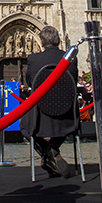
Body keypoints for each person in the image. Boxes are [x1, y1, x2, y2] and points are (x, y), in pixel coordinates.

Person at [21, 26, 79, 178]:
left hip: (41, 116)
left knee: (23, 125)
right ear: (59, 40)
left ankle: (47, 152)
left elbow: (30, 82)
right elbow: (73, 81)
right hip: (68, 116)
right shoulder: (71, 59)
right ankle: (53, 149)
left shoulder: (34, 59)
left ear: (40, 43)